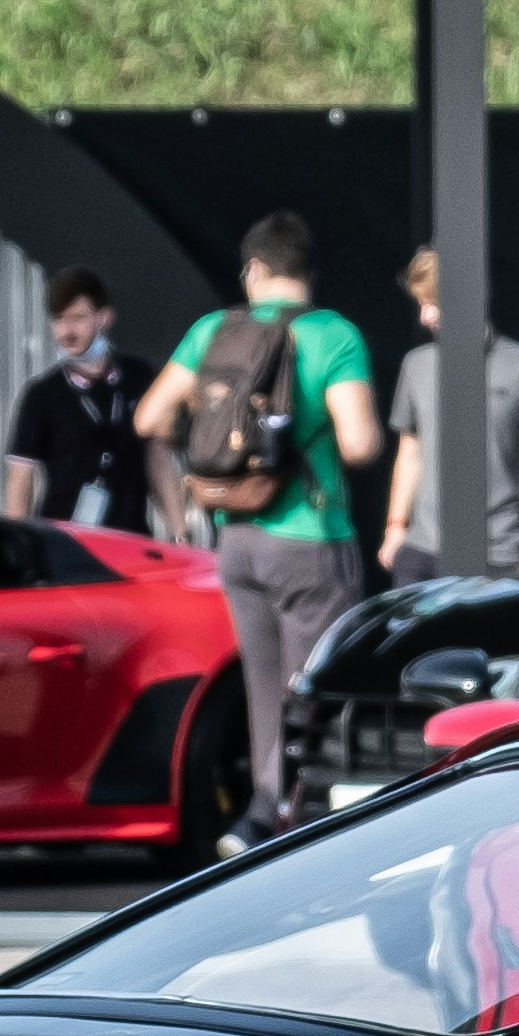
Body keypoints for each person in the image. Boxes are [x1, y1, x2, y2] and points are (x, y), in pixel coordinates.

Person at [134, 212, 380, 842]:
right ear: (307, 273)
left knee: (263, 689)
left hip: (236, 536)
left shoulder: (214, 329)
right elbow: (359, 444)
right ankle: (286, 825)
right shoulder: (335, 334)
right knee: (317, 696)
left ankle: (260, 822)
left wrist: (212, 449)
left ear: (255, 270)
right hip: (310, 539)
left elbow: (150, 418)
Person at [376, 245, 519, 584]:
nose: (425, 317)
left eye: (433, 303)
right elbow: (410, 451)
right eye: (421, 304)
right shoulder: (417, 365)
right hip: (422, 553)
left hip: (501, 554)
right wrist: (396, 529)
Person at [4, 264, 152, 536]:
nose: (66, 331)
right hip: (66, 546)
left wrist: (180, 530)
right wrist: (19, 544)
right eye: (59, 320)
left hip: (132, 539)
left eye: (77, 318)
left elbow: (158, 457)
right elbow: (20, 480)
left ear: (104, 317)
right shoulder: (41, 394)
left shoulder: (138, 378)